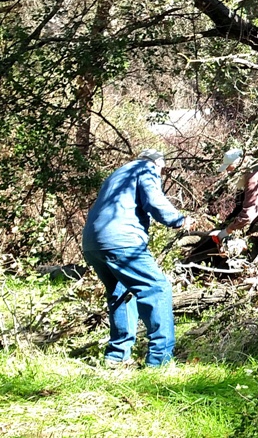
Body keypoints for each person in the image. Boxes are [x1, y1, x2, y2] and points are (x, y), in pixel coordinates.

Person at [82, 149, 191, 368]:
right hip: (121, 241)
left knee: (121, 292)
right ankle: (159, 361)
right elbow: (154, 200)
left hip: (93, 243)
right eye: (161, 169)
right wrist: (179, 220)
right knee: (157, 289)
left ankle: (117, 356)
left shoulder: (118, 173)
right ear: (158, 163)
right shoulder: (146, 168)